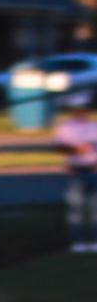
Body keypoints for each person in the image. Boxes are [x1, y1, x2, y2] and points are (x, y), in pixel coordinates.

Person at [53, 98, 97, 254]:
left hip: (93, 170)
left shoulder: (93, 126)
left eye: (83, 109)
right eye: (77, 109)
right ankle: (78, 241)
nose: (80, 112)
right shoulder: (66, 127)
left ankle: (93, 240)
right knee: (76, 208)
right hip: (76, 170)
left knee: (93, 208)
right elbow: (58, 147)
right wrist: (76, 150)